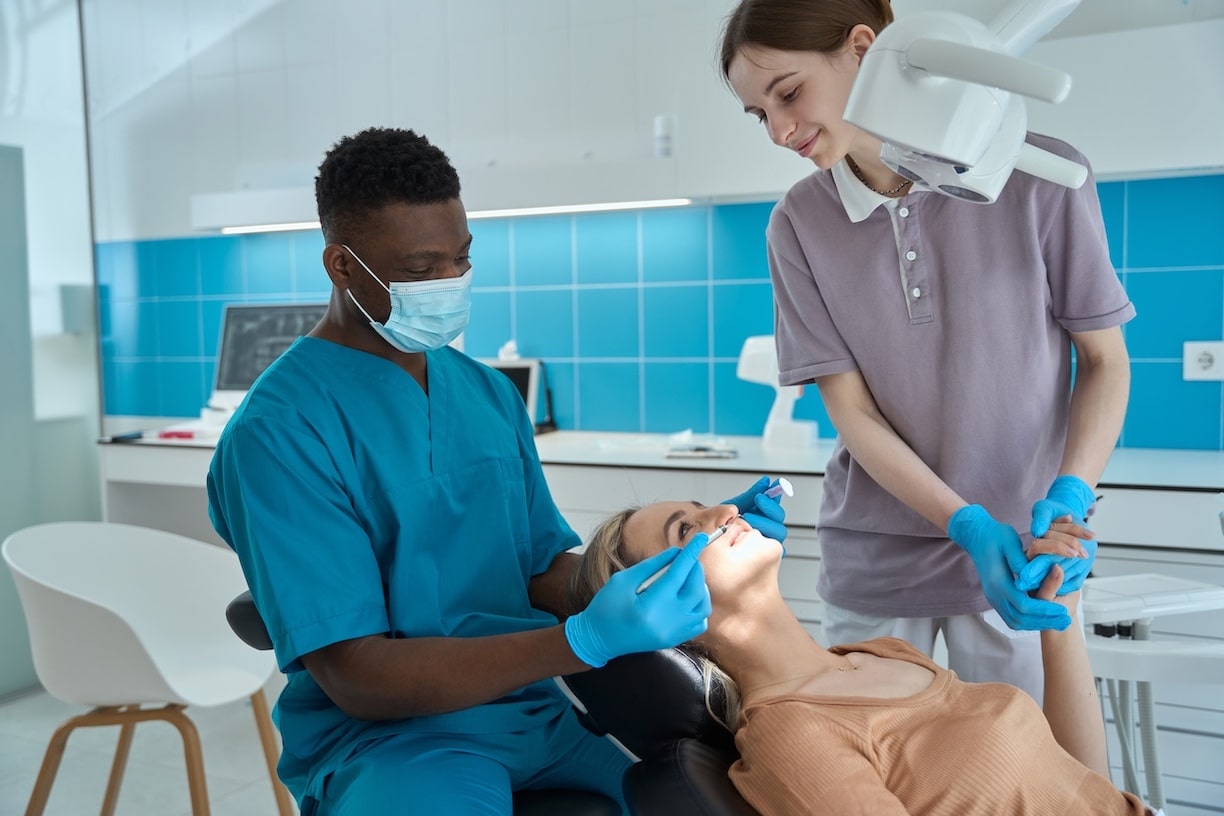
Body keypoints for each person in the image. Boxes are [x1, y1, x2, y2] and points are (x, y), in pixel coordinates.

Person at [205, 126, 786, 815]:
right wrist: (583, 641)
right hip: (394, 742)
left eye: (462, 259)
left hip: (532, 715)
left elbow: (539, 568)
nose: (449, 283)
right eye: (422, 269)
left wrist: (688, 556)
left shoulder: (484, 393)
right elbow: (358, 677)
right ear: (342, 266)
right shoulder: (280, 433)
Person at [716, 0, 1135, 701]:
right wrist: (962, 521)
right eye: (761, 114)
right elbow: (852, 413)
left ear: (861, 48)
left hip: (1027, 557)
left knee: (1020, 793)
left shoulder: (1041, 176)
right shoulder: (799, 224)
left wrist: (1069, 499)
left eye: (787, 92)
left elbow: (1105, 361)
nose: (781, 130)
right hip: (875, 561)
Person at [570, 498, 1159, 816]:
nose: (726, 513)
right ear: (653, 609)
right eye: (685, 530)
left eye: (705, 504)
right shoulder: (790, 736)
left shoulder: (884, 654)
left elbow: (1087, 789)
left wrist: (1062, 612)